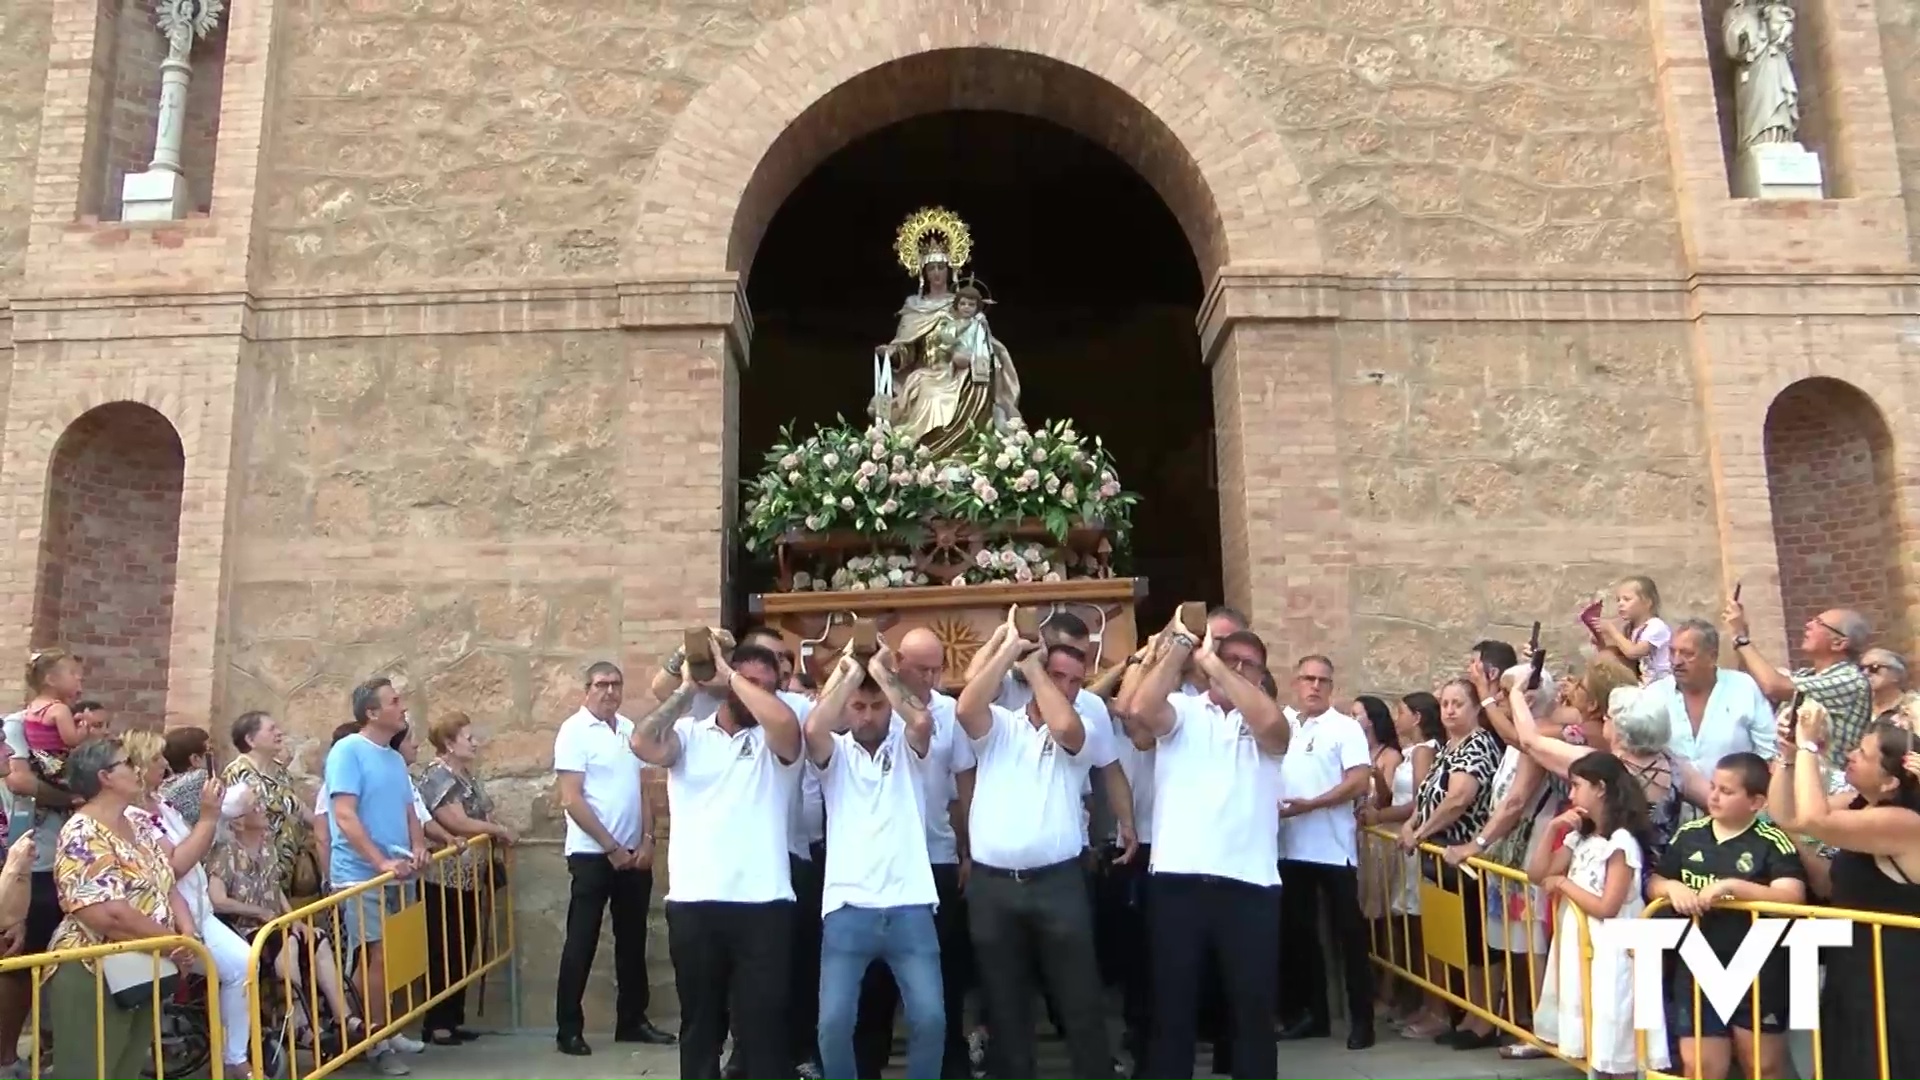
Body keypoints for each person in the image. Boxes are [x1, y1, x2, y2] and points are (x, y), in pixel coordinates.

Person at [631, 638, 803, 1080]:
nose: (757, 693)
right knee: (701, 1029)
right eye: (750, 683)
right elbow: (642, 741)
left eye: (767, 687)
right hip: (694, 903)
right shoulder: (688, 735)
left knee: (764, 1029)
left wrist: (735, 680)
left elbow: (786, 726)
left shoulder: (775, 740)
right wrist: (689, 686)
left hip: (764, 905)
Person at [1127, 614, 1288, 1080]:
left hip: (1250, 887)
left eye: (1249, 665)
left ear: (1262, 675)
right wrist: (1180, 647)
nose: (1238, 668)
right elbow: (1139, 711)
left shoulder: (1269, 720)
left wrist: (1218, 667)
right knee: (1172, 1011)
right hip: (1178, 885)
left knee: (1252, 1013)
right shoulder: (1183, 710)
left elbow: (1274, 731)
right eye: (1229, 658)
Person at [956, 608, 1114, 1080]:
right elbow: (965, 707)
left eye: (1075, 681)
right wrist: (1013, 650)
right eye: (1057, 676)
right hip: (993, 888)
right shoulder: (1000, 725)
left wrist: (1033, 670)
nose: (1067, 687)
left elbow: (1064, 728)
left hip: (1057, 884)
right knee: (1005, 1005)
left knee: (1079, 998)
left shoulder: (1078, 729)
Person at [807, 645, 944, 1080]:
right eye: (858, 707)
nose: (867, 716)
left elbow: (921, 721)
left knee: (930, 1020)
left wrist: (882, 671)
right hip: (848, 908)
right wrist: (851, 670)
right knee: (832, 1026)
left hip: (911, 905)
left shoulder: (907, 751)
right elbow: (813, 728)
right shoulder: (837, 755)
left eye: (877, 705)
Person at [1767, 705, 1920, 1079]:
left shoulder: (1904, 822)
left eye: (1863, 754)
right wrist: (1788, 756)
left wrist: (1808, 747)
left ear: (1890, 781)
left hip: (1894, 975)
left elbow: (1815, 820)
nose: (1850, 755)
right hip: (1852, 966)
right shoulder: (1859, 804)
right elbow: (1787, 816)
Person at [852, 628, 978, 1080]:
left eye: (936, 668)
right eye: (920, 668)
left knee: (943, 976)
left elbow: (964, 787)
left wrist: (967, 850)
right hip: (878, 864)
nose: (930, 677)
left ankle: (950, 1065)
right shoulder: (871, 709)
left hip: (936, 857)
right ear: (899, 663)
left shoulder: (947, 712)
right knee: (874, 984)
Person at [42, 737, 195, 1080]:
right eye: (127, 762)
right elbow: (106, 913)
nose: (137, 769)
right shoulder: (82, 832)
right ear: (104, 777)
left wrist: (187, 933)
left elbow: (166, 883)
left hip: (147, 963)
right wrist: (175, 943)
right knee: (88, 1070)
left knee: (125, 1068)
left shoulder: (138, 824)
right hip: (91, 969)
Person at [1648, 752, 1806, 1080]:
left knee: (1762, 1068)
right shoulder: (1690, 833)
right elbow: (1655, 881)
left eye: (1727, 791)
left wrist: (1735, 887)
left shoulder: (1772, 841)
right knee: (1700, 1068)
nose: (1715, 796)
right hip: (1698, 965)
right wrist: (1671, 889)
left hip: (1759, 969)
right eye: (1713, 787)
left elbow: (1792, 898)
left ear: (1756, 802)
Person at [123, 731, 260, 1078]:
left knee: (243, 965)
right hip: (166, 916)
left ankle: (233, 1056)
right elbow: (175, 865)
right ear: (138, 766)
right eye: (156, 760)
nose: (166, 765)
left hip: (197, 910)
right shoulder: (133, 814)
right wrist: (209, 817)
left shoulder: (162, 801)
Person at [552, 661, 672, 1056]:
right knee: (582, 940)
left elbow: (642, 789)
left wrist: (649, 839)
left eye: (615, 684)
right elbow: (572, 798)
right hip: (592, 855)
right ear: (586, 689)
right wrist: (611, 847)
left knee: (633, 939)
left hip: (633, 855)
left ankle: (633, 1020)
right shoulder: (574, 732)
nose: (609, 691)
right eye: (601, 684)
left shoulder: (626, 729)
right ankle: (568, 1027)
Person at [1527, 753, 1667, 1079]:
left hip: (1614, 951)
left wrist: (1563, 883)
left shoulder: (1621, 842)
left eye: (1576, 786)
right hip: (1585, 948)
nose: (1571, 795)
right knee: (1596, 1037)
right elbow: (1537, 873)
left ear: (1600, 788)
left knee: (1617, 1041)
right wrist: (1552, 830)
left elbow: (1608, 906)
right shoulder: (1584, 837)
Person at [325, 678, 431, 1077]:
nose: (402, 707)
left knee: (393, 956)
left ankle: (386, 1027)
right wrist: (380, 861)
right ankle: (373, 1041)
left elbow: (409, 810)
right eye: (394, 701)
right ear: (372, 712)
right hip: (359, 876)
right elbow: (345, 815)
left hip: (398, 872)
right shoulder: (348, 751)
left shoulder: (392, 757)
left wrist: (418, 845)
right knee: (374, 955)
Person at [207, 783, 359, 1052]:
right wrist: (259, 913)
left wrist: (295, 919)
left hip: (276, 924)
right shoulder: (225, 853)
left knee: (316, 937)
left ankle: (344, 1017)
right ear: (239, 823)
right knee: (287, 942)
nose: (262, 809)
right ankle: (298, 1024)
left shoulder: (267, 847)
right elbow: (217, 900)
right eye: (255, 806)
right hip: (246, 931)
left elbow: (275, 891)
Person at [1275, 656, 1375, 1049]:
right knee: (1301, 936)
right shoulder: (1285, 725)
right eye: (1308, 679)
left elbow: (1358, 781)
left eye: (1322, 681)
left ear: (1331, 687)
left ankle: (1362, 1020)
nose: (1314, 686)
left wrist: (1312, 805)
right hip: (1291, 847)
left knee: (1348, 937)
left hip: (1334, 851)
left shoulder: (1344, 728)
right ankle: (1314, 1015)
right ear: (1296, 682)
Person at [1397, 680, 1502, 1049]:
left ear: (1476, 708)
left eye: (1459, 703)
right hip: (1441, 855)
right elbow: (1428, 793)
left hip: (1466, 856)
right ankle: (1466, 1010)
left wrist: (1421, 831)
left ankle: (1485, 1016)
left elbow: (1459, 797)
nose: (1450, 710)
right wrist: (1412, 826)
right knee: (1456, 939)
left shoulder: (1478, 744)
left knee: (1477, 941)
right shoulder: (1446, 748)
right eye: (1445, 703)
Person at [419, 711, 517, 1047]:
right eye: (468, 737)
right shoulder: (437, 776)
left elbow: (481, 811)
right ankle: (437, 1021)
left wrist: (492, 827)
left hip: (469, 875)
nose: (474, 743)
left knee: (465, 944)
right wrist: (497, 830)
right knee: (444, 946)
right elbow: (455, 820)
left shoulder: (466, 776)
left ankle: (453, 1017)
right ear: (449, 743)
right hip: (443, 876)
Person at [1724, 597, 1872, 770]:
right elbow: (1757, 682)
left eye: (1819, 623)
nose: (1809, 624)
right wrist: (1742, 636)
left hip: (1826, 787)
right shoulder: (1806, 675)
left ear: (1838, 643)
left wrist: (1741, 638)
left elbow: (1773, 686)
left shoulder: (1850, 679)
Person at [1647, 619, 1776, 781]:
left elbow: (1769, 753)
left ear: (1712, 656)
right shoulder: (1654, 694)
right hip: (1671, 804)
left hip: (1736, 802)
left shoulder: (1743, 687)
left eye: (1688, 654)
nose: (1676, 662)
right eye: (1672, 652)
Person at [222, 711, 317, 899]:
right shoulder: (239, 773)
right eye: (272, 729)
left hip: (286, 867)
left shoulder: (278, 771)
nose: (279, 733)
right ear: (250, 739)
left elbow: (296, 806)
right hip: (257, 875)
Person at [1594, 575, 1673, 685]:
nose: (1620, 604)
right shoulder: (1630, 628)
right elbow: (1622, 657)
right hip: (1643, 683)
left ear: (1647, 603)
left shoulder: (1656, 626)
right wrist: (1600, 643)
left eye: (1627, 599)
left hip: (1661, 683)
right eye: (1618, 600)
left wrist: (1612, 630)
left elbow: (1633, 652)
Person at [158, 726, 215, 825]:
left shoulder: (163, 787)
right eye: (210, 750)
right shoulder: (200, 777)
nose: (214, 754)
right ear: (195, 759)